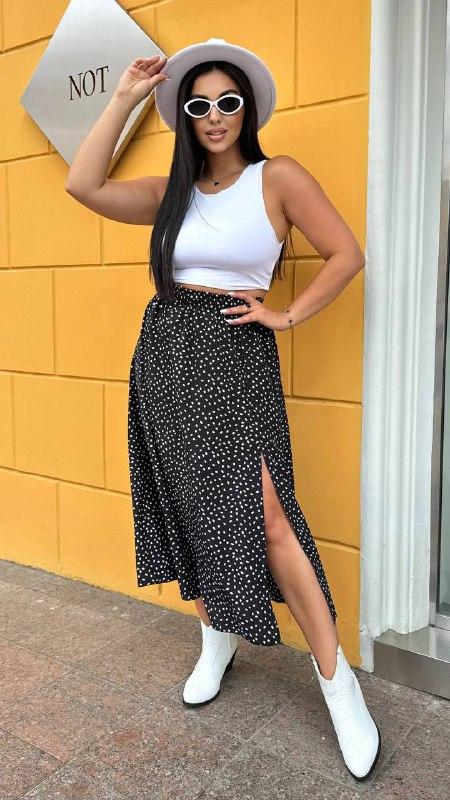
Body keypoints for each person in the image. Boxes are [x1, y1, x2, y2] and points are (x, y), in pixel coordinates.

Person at [65, 37, 381, 781]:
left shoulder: (279, 177)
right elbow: (83, 185)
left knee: (269, 517)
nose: (214, 116)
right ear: (185, 115)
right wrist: (125, 97)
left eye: (228, 102)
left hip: (236, 356)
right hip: (166, 355)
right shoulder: (169, 194)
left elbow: (346, 254)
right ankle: (217, 638)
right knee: (187, 504)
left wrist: (288, 315)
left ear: (247, 111)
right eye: (199, 104)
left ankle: (338, 684)